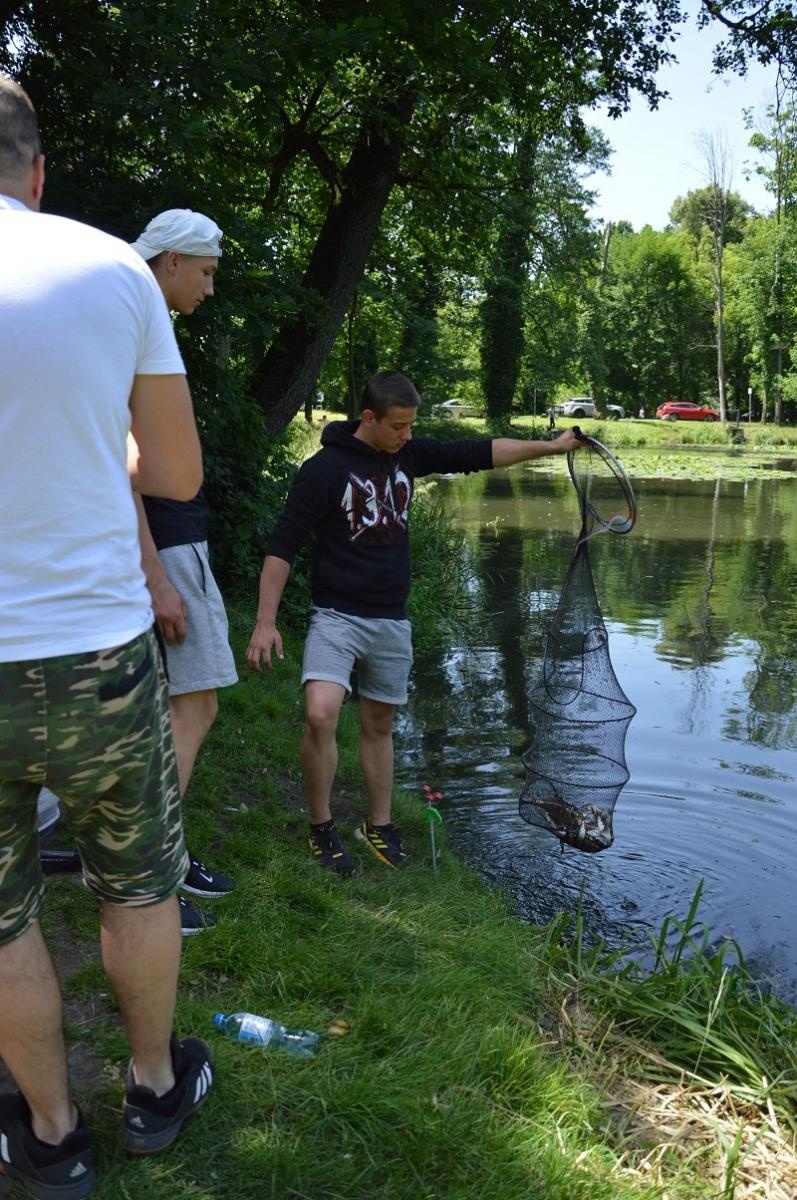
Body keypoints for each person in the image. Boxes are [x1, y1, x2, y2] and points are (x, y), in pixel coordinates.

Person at [0, 76, 213, 1199]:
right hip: (96, 656)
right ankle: (151, 1089)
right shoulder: (110, 266)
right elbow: (173, 475)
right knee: (137, 887)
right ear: (36, 172)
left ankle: (48, 1132)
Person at [246, 370, 581, 875]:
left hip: (390, 620)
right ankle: (321, 827)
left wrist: (551, 448)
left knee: (379, 724)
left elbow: (480, 452)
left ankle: (378, 825)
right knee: (320, 714)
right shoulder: (324, 470)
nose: (407, 435)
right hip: (336, 615)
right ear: (369, 418)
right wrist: (264, 623)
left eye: (411, 426)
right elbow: (282, 546)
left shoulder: (407, 455)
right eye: (399, 426)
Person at [128, 209, 238, 934]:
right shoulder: (131, 319)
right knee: (192, 706)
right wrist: (157, 578)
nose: (208, 288)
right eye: (204, 273)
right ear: (171, 260)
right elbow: (122, 467)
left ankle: (156, 860)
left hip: (173, 545)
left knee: (176, 711)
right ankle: (155, 875)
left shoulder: (126, 313)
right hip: (164, 548)